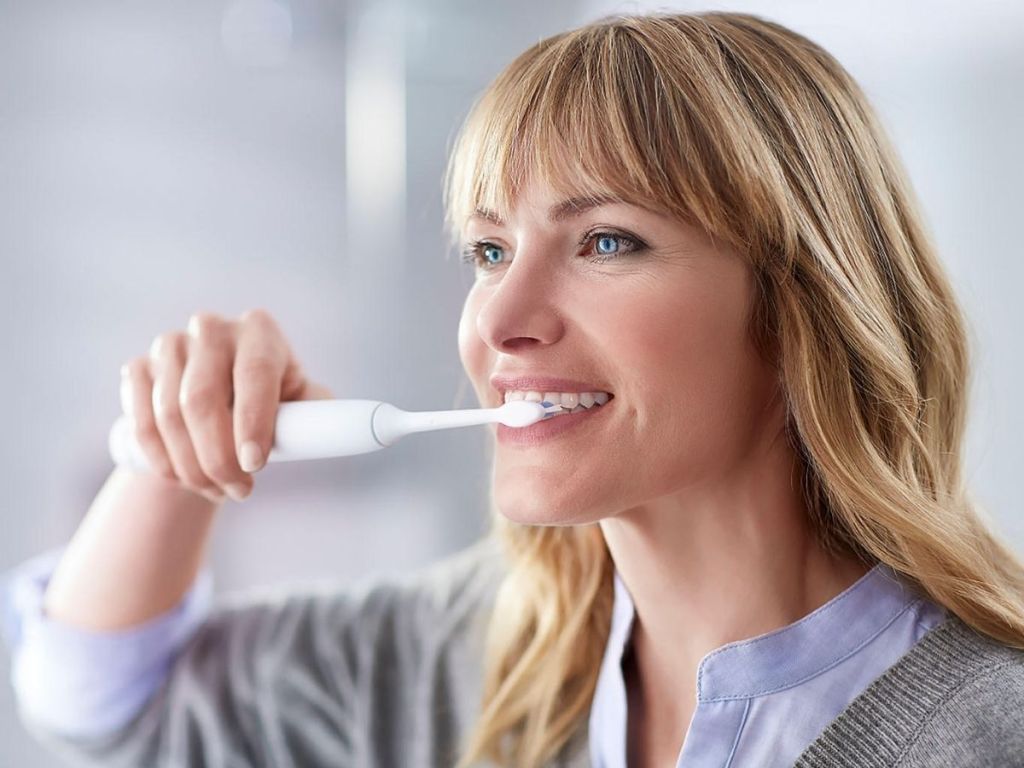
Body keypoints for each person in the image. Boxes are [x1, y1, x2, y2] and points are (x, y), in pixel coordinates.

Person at [3, 10, 1024, 768]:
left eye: (605, 241)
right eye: (489, 249)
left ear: (799, 304)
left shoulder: (987, 733)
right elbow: (100, 703)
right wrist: (177, 455)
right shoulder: (454, 659)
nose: (497, 321)